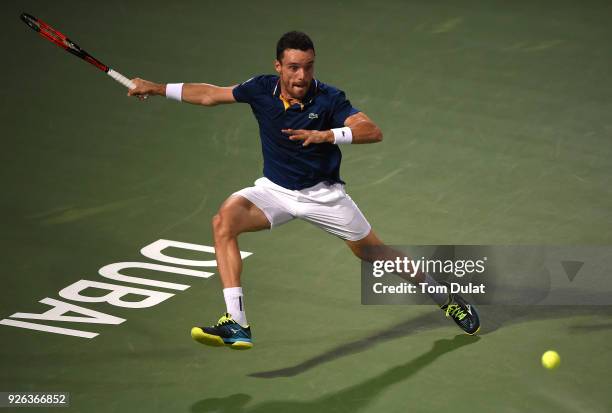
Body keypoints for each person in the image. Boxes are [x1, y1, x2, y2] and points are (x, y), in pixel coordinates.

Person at [128, 31, 480, 350]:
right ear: (278, 66)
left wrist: (327, 135)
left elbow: (372, 131)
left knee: (375, 254)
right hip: (275, 191)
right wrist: (156, 88)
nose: (301, 76)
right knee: (224, 222)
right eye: (294, 68)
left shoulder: (328, 99)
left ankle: (442, 294)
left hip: (324, 196)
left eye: (308, 68)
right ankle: (237, 323)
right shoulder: (259, 89)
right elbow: (209, 95)